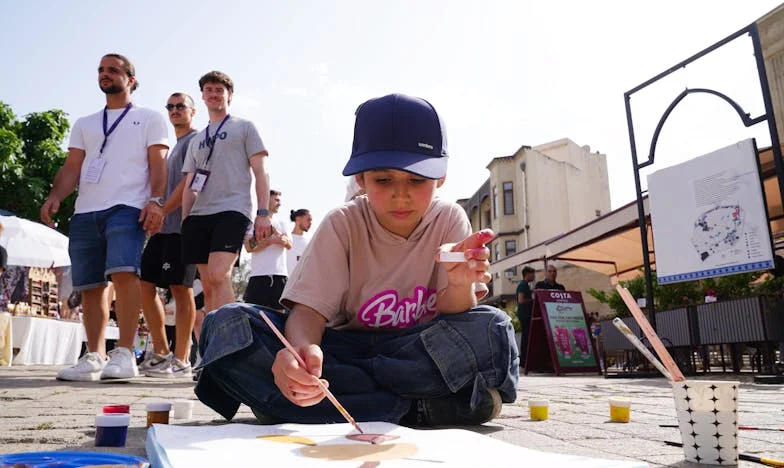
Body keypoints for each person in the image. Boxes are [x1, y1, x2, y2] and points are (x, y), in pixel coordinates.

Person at [194, 93, 519, 426]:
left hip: (415, 350)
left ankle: (292, 406)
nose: (400, 194)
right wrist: (300, 354)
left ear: (441, 177)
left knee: (492, 326)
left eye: (417, 179)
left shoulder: (449, 219)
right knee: (227, 323)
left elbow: (455, 314)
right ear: (360, 179)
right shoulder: (342, 223)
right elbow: (308, 313)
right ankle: (418, 408)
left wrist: (460, 284)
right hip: (341, 349)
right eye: (384, 180)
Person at [41, 53, 169, 381]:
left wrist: (156, 201)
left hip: (128, 206)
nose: (105, 74)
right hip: (86, 210)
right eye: (101, 70)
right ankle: (95, 356)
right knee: (90, 285)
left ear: (131, 80)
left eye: (113, 69)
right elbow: (72, 167)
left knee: (125, 274)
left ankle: (124, 353)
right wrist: (56, 196)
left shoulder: (150, 118)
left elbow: (158, 164)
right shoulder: (85, 123)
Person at [181, 70, 271, 314]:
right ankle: (213, 337)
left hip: (233, 209)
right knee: (208, 285)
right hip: (199, 215)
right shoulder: (196, 139)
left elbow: (261, 171)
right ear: (202, 96)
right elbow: (190, 183)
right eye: (208, 90)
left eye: (219, 90)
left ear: (229, 95)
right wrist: (185, 220)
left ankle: (230, 333)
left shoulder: (244, 127)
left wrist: (263, 213)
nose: (213, 94)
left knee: (220, 274)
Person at [138, 93, 200, 379]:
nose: (175, 110)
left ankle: (182, 358)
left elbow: (189, 182)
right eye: (171, 107)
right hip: (162, 228)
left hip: (183, 228)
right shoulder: (173, 147)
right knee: (144, 284)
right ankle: (162, 352)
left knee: (181, 289)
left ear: (192, 111)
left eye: (180, 106)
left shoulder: (196, 141)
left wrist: (163, 210)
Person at [243, 190, 291, 311]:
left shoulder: (282, 223)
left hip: (280, 276)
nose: (279, 203)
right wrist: (270, 241)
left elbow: (289, 244)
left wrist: (277, 234)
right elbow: (249, 247)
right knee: (254, 315)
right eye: (276, 200)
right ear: (267, 199)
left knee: (279, 317)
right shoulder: (254, 222)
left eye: (279, 200)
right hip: (259, 277)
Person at [516, 266, 535, 367]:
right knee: (525, 337)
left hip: (526, 314)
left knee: (527, 337)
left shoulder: (526, 285)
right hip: (525, 315)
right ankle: (523, 360)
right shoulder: (523, 285)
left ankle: (525, 359)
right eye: (532, 274)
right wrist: (532, 300)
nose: (533, 276)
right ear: (527, 274)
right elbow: (521, 300)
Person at [286, 209, 312, 276]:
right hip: (287, 280)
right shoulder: (286, 239)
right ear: (298, 219)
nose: (310, 223)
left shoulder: (310, 241)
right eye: (308, 220)